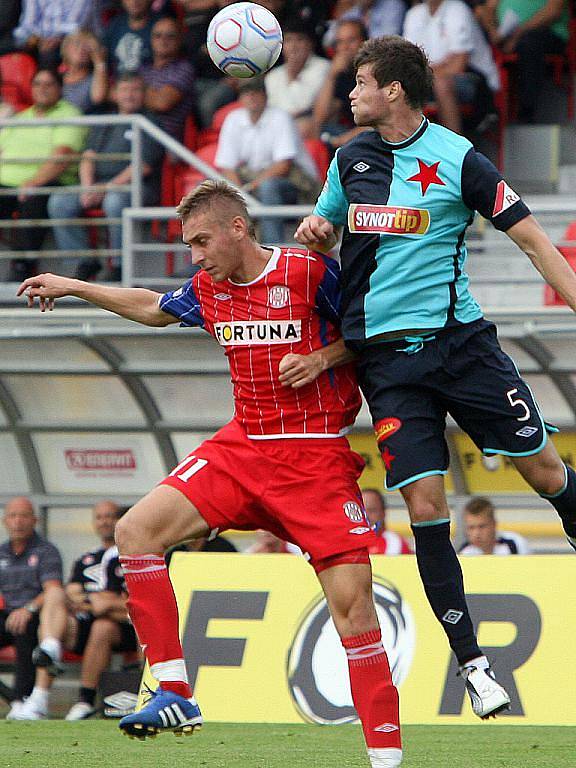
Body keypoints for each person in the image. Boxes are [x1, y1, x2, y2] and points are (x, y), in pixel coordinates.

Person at [19, 180, 403, 768]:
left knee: (355, 612)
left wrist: (324, 357)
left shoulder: (307, 272)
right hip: (242, 448)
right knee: (134, 532)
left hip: (315, 457)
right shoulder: (208, 288)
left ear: (238, 229)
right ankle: (174, 691)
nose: (195, 256)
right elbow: (152, 308)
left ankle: (386, 758)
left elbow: (378, 326)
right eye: (188, 245)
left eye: (201, 242)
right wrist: (73, 285)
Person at [295, 35, 576, 719]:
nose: (349, 94)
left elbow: (535, 240)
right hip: (389, 369)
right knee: (426, 506)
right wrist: (315, 229)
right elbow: (327, 224)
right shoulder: (348, 158)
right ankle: (474, 666)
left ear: (393, 89)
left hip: (462, 349)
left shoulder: (459, 159)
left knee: (544, 473)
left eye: (360, 83)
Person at [10, 501, 138, 721]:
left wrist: (88, 599)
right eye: (99, 517)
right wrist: (90, 600)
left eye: (110, 516)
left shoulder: (130, 554)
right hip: (82, 620)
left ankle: (84, 700)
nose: (105, 521)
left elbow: (110, 602)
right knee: (54, 596)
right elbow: (72, 592)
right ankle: (40, 693)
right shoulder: (87, 559)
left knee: (101, 627)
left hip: (121, 625)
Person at [47, 72, 164, 281]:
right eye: (124, 90)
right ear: (115, 94)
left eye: (135, 90)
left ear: (144, 94)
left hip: (136, 187)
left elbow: (142, 166)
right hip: (99, 184)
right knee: (59, 201)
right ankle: (84, 262)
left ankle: (119, 265)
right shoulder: (106, 120)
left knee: (114, 201)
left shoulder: (151, 121)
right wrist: (87, 187)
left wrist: (107, 187)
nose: (129, 95)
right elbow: (88, 156)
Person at [215, 77, 318, 245]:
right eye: (247, 93)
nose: (252, 97)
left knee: (268, 188)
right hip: (254, 183)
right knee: (209, 186)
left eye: (256, 92)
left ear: (265, 95)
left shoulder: (280, 117)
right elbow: (227, 166)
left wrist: (249, 188)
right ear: (240, 97)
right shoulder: (233, 119)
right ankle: (217, 251)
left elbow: (283, 166)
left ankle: (271, 251)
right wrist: (239, 191)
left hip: (299, 185)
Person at [0, 497, 63, 719]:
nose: (18, 522)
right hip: (7, 614)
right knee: (15, 624)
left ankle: (20, 700)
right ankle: (11, 697)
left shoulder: (46, 551)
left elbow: (52, 590)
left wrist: (27, 609)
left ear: (34, 520)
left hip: (35, 614)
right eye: (13, 516)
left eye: (24, 516)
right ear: (5, 521)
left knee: (24, 629)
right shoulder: (2, 552)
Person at [402, 0, 499, 134]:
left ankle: (454, 150)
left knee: (441, 83)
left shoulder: (458, 9)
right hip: (427, 79)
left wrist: (422, 71)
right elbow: (408, 62)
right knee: (396, 85)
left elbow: (458, 66)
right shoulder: (414, 14)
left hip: (475, 80)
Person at [476, 0, 569, 123]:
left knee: (529, 44)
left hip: (545, 33)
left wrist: (519, 33)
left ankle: (527, 109)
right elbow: (487, 8)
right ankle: (486, 110)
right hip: (505, 34)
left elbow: (553, 11)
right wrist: (494, 31)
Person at [264, 19, 331, 138]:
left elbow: (304, 105)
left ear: (310, 43)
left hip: (311, 129)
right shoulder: (273, 75)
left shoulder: (323, 67)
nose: (293, 47)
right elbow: (272, 111)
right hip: (277, 130)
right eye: (289, 40)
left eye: (299, 39)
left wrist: (293, 74)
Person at [312, 18, 369, 151]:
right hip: (350, 133)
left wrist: (348, 138)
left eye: (351, 40)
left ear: (365, 42)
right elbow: (319, 117)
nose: (345, 47)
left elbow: (380, 121)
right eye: (340, 42)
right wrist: (331, 75)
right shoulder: (342, 73)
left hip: (378, 134)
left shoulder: (375, 71)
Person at [140, 16, 195, 141]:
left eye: (170, 36)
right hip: (138, 132)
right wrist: (149, 94)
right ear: (151, 39)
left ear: (180, 39)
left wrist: (135, 92)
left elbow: (161, 103)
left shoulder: (184, 69)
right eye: (158, 35)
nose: (163, 40)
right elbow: (115, 94)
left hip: (164, 140)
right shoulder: (143, 68)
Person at [12, 0, 97, 67]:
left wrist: (52, 39)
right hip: (39, 40)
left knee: (48, 55)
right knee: (13, 48)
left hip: (70, 40)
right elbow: (27, 23)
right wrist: (34, 38)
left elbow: (75, 26)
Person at [103, 0, 168, 75]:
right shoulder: (115, 24)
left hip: (153, 82)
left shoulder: (162, 24)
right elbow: (103, 56)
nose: (134, 1)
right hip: (118, 83)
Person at [458, 497, 531, 555]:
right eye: (471, 528)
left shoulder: (515, 544)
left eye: (481, 526)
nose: (476, 533)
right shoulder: (464, 552)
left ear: (494, 524)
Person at [60, 30, 109, 113]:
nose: (81, 49)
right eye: (77, 44)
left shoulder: (94, 79)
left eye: (87, 47)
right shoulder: (57, 77)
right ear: (65, 49)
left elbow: (98, 97)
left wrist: (99, 62)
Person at [362, 488, 412, 555]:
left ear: (383, 513)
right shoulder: (348, 544)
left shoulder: (396, 544)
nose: (366, 516)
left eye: (372, 510)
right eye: (361, 511)